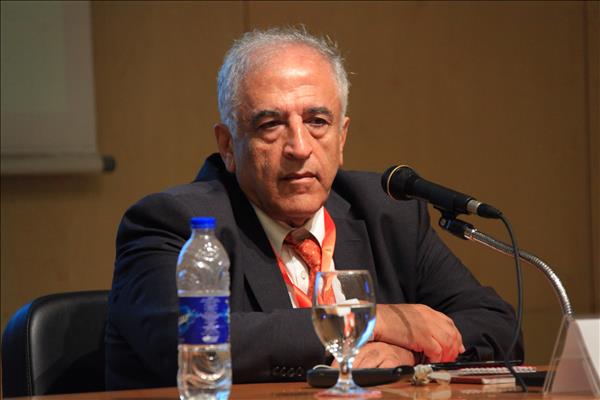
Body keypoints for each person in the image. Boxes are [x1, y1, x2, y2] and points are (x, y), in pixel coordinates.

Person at [105, 27, 522, 390]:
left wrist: (407, 353)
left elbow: (499, 325)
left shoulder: (387, 214)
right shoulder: (174, 223)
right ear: (228, 145)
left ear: (341, 138)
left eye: (317, 122)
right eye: (271, 124)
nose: (299, 147)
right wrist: (367, 321)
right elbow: (187, 341)